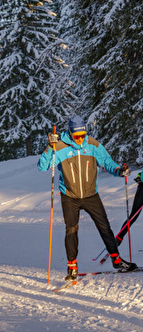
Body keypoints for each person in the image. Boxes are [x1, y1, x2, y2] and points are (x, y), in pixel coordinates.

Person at [37, 115, 137, 281]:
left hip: (91, 195)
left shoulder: (92, 145)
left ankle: (117, 260)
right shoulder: (60, 146)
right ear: (70, 133)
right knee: (71, 230)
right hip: (69, 196)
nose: (80, 139)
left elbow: (107, 161)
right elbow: (43, 166)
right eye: (77, 136)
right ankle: (72, 267)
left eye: (83, 135)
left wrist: (119, 171)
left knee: (104, 227)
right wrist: (49, 147)